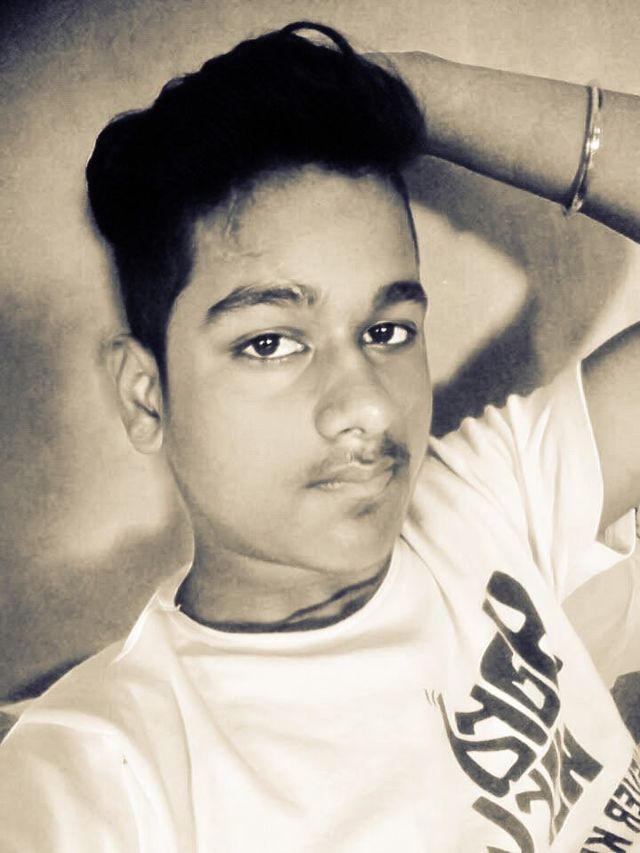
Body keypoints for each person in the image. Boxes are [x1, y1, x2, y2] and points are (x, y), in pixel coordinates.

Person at [1, 20, 639, 851]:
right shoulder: (106, 772)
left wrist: (406, 93)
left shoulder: (481, 498)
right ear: (146, 396)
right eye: (271, 342)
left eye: (388, 331)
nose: (366, 406)